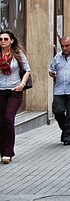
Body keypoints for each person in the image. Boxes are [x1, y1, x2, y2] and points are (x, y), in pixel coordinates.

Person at [0, 30, 31, 164]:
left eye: (5, 39)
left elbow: (27, 70)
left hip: (15, 91)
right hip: (0, 90)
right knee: (1, 121)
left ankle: (7, 153)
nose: (2, 41)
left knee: (8, 118)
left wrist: (22, 84)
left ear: (11, 40)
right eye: (1, 39)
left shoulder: (18, 54)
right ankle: (3, 151)